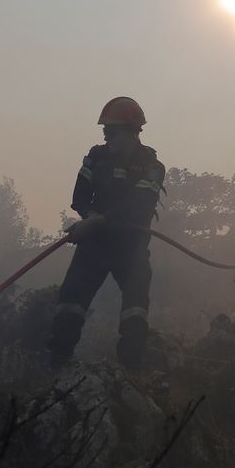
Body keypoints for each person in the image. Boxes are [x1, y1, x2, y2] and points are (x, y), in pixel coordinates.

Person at [47, 96, 165, 370]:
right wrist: (90, 218)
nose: (106, 136)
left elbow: (140, 206)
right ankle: (57, 367)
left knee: (135, 305)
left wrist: (99, 221)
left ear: (132, 131)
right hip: (95, 244)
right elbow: (80, 196)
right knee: (71, 300)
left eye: (112, 131)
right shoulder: (96, 158)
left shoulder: (152, 167)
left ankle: (131, 369)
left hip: (131, 246)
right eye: (104, 130)